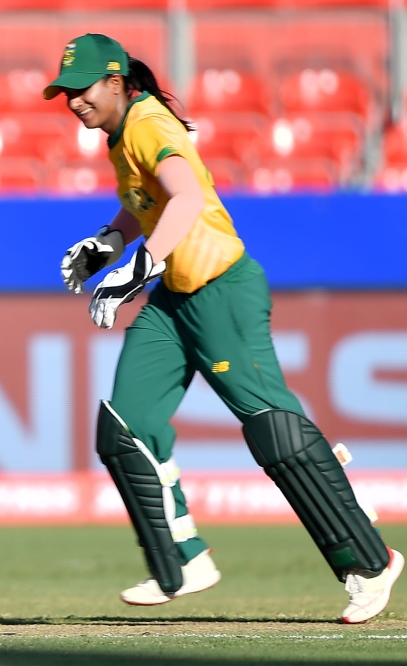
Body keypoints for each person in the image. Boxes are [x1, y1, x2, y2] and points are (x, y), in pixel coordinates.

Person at [45, 33, 402, 623]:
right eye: (65, 94)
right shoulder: (119, 135)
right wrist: (108, 243)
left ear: (115, 82)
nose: (73, 102)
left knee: (276, 435)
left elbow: (185, 199)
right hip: (175, 301)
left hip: (221, 291)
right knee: (125, 429)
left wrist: (139, 266)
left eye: (81, 90)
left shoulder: (147, 123)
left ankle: (371, 561)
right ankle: (181, 562)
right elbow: (149, 202)